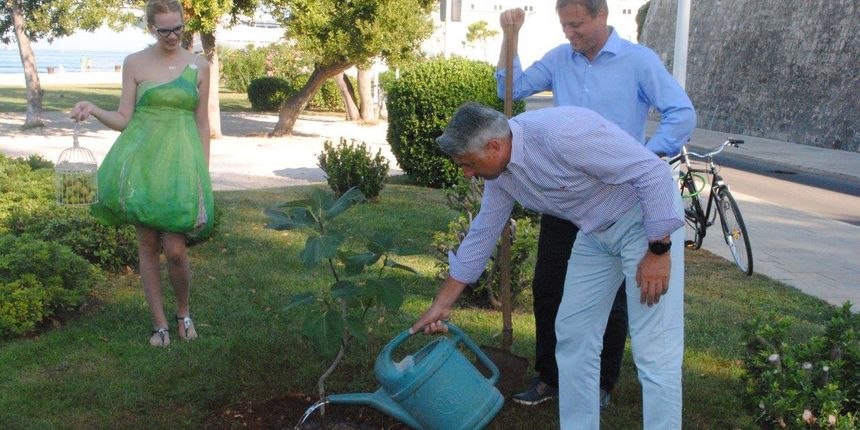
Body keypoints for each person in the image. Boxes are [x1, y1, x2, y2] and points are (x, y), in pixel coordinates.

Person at [411, 102, 685, 429]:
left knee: (654, 349)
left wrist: (658, 250)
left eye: (468, 164)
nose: (467, 173)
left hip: (645, 221)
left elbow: (653, 173)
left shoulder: (562, 135)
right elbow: (483, 233)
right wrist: (441, 304)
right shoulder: (501, 175)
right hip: (595, 232)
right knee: (573, 336)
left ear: (494, 146)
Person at [496, 0, 696, 407]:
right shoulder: (559, 59)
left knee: (615, 297)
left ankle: (603, 381)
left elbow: (681, 112)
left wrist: (647, 156)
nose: (569, 33)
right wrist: (508, 37)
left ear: (601, 16)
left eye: (577, 25)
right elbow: (509, 89)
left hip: (618, 199)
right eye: (564, 26)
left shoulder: (638, 61)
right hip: (566, 198)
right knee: (548, 287)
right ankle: (550, 377)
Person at [70, 0, 214, 348]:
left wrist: (203, 172)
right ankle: (160, 325)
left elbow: (202, 122)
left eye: (178, 28)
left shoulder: (199, 65)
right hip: (143, 164)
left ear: (184, 23)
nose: (172, 36)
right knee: (148, 246)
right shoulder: (134, 62)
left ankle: (183, 313)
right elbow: (124, 118)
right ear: (152, 29)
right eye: (164, 30)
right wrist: (93, 108)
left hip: (181, 166)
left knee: (176, 250)